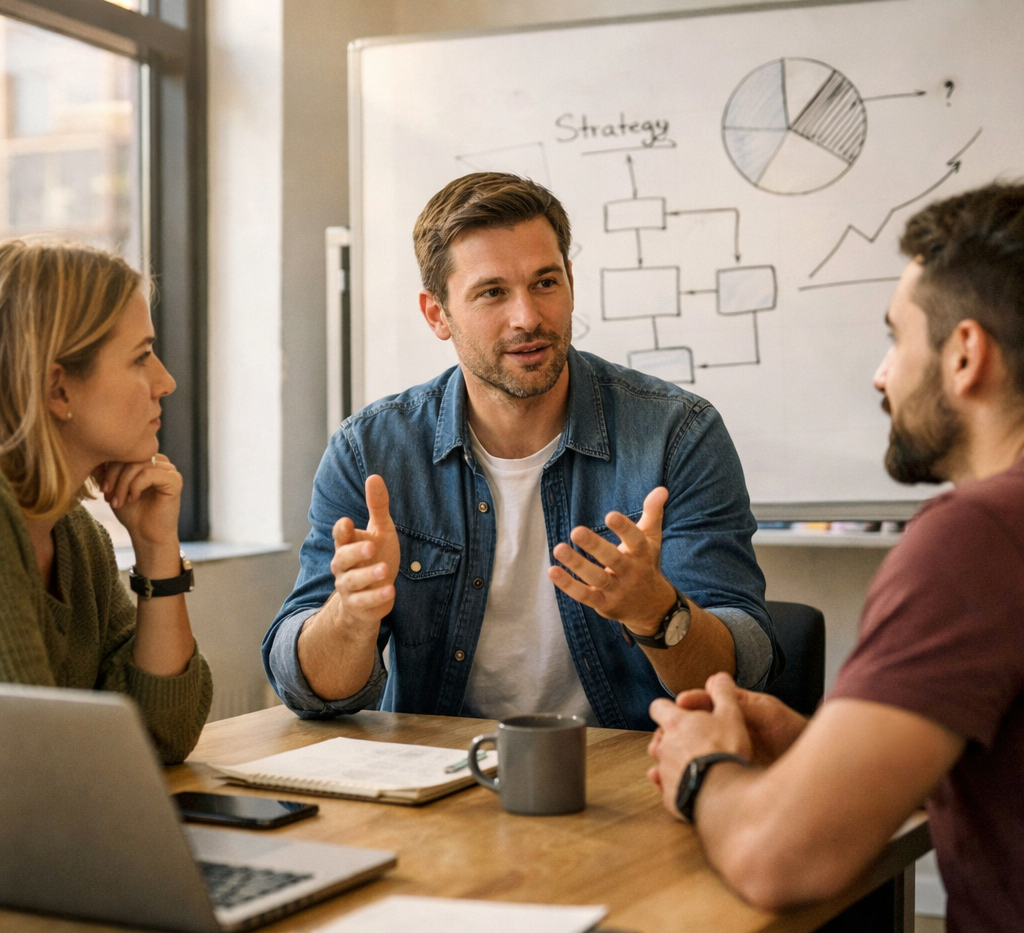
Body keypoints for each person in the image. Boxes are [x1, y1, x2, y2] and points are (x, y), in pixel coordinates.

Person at [647, 182, 1024, 933]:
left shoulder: (975, 541)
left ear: (966, 355)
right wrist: (822, 750)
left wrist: (702, 767)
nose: (882, 373)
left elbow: (777, 860)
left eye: (897, 338)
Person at [264, 172, 778, 730]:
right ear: (437, 314)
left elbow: (744, 670)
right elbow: (308, 690)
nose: (528, 317)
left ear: (571, 283)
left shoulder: (678, 433)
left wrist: (658, 613)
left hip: (633, 775)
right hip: (440, 783)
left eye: (545, 283)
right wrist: (352, 617)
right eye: (492, 292)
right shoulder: (371, 452)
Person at [0, 239, 212, 764]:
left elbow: (165, 734)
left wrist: (157, 547)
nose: (165, 381)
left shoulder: (75, 534)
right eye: (141, 358)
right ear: (58, 389)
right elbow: (33, 764)